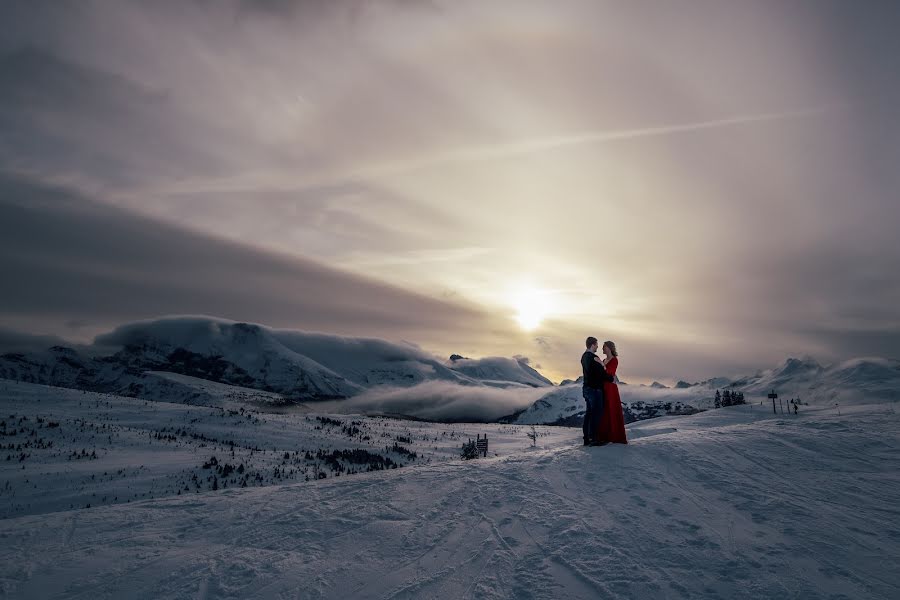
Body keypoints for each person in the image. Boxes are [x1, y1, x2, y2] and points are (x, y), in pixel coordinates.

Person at [581, 336, 615, 446]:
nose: (597, 347)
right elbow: (601, 373)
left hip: (586, 388)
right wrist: (610, 378)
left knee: (589, 414)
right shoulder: (594, 357)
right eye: (596, 345)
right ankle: (594, 438)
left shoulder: (584, 357)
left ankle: (587, 438)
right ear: (592, 345)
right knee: (596, 413)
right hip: (595, 389)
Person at [594, 341, 627, 444]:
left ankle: (615, 436)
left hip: (610, 389)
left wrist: (600, 364)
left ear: (609, 348)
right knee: (604, 411)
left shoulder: (614, 360)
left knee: (611, 410)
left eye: (604, 347)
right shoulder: (604, 360)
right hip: (603, 387)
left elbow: (609, 372)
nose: (602, 349)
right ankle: (605, 436)